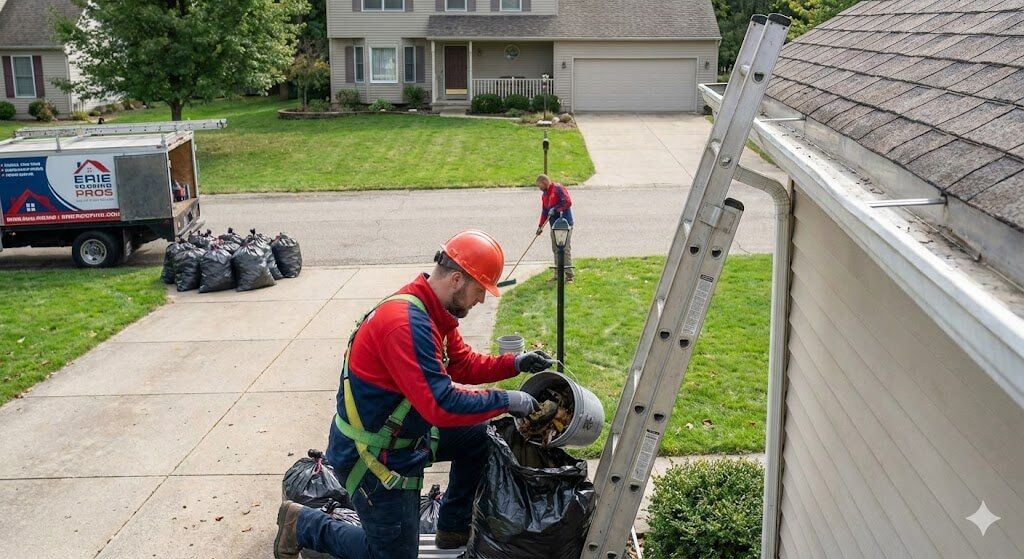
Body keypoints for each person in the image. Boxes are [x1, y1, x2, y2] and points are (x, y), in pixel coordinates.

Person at [273, 230, 556, 559]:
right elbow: (440, 405)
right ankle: (303, 524)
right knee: (391, 555)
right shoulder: (406, 324)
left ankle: (453, 526)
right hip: (374, 453)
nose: (482, 300)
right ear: (456, 279)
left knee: (480, 436)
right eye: (480, 290)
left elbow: (461, 364)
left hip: (406, 431)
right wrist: (508, 400)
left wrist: (515, 363)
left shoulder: (433, 312)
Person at [534, 174, 574, 282]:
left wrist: (556, 209)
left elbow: (567, 202)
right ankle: (558, 274)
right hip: (554, 226)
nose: (539, 189)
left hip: (565, 224)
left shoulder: (558, 189)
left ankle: (569, 275)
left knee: (564, 249)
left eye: (540, 186)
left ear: (544, 182)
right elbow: (544, 212)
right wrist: (540, 226)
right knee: (556, 249)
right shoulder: (544, 195)